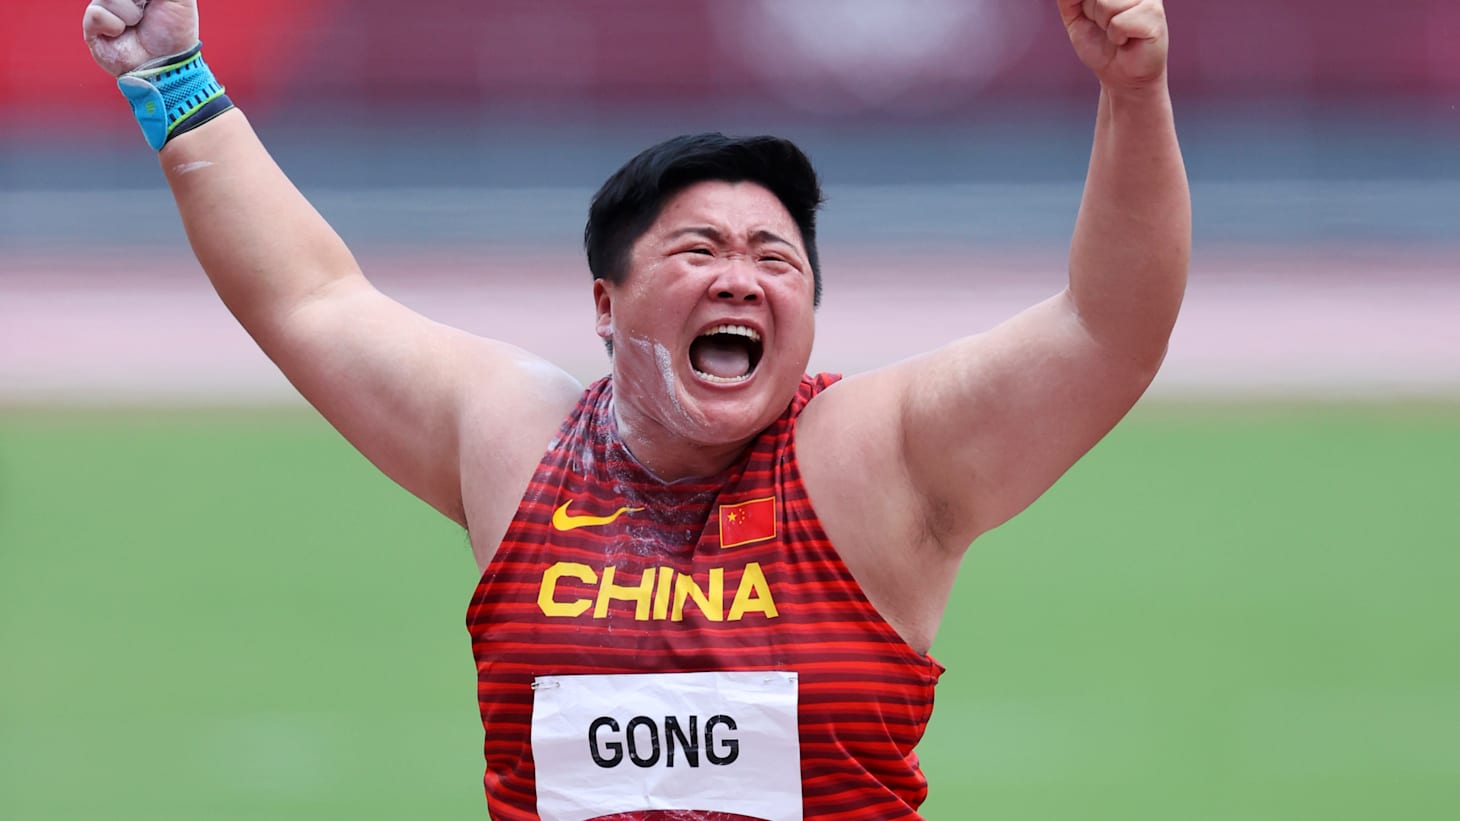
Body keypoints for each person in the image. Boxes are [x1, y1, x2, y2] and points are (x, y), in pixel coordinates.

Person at [82, 0, 1189, 818]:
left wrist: (1133, 93)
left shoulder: (874, 459)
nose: (741, 278)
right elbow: (312, 298)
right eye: (698, 249)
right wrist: (171, 77)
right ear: (606, 305)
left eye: (776, 258)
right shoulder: (516, 441)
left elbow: (1103, 332)